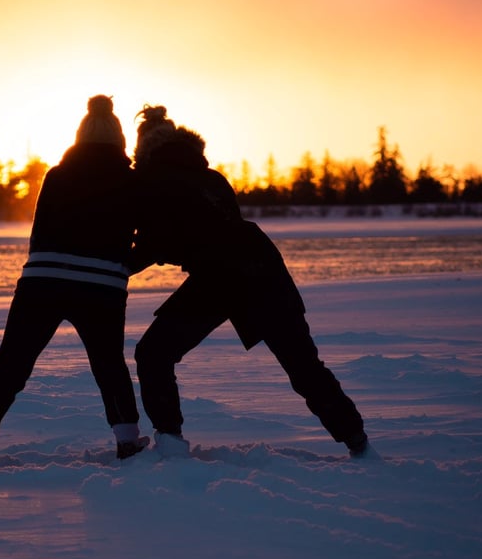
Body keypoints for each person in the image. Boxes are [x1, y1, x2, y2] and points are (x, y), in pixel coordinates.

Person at [130, 105, 369, 458]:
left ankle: (169, 441)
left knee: (153, 353)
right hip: (262, 268)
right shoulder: (210, 178)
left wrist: (111, 267)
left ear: (142, 150)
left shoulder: (155, 180)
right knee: (303, 366)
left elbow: (154, 243)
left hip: (222, 276)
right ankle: (359, 443)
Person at [0, 95, 147, 467]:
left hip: (42, 279)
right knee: (109, 366)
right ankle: (127, 441)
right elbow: (145, 235)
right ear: (119, 138)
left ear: (78, 135)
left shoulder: (57, 174)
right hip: (102, 286)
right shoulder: (132, 181)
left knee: (12, 365)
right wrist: (121, 265)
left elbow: (38, 232)